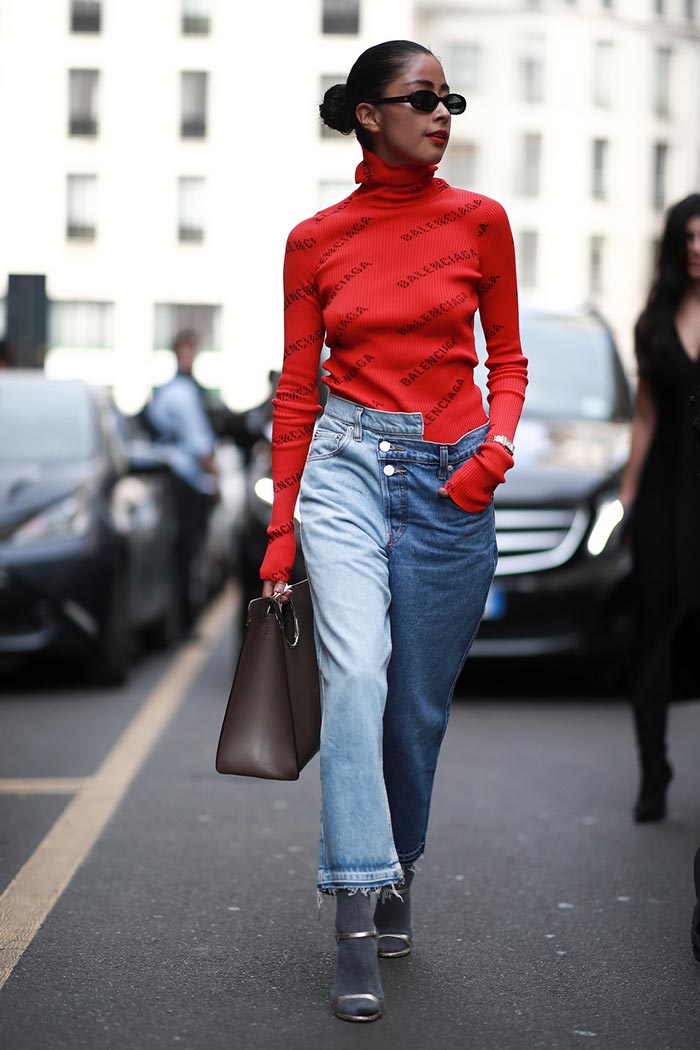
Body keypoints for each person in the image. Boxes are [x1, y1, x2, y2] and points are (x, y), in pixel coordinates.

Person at [259, 40, 528, 1022]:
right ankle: (355, 918)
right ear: (369, 114)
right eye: (422, 99)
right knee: (357, 677)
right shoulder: (313, 239)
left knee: (414, 713)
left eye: (450, 97)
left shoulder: (481, 222)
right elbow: (297, 388)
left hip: (448, 474)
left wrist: (491, 456)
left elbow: (508, 358)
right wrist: (281, 532)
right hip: (343, 470)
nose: (442, 113)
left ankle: (397, 863)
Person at [620, 194, 700, 823]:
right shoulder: (653, 322)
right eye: (688, 237)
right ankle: (653, 769)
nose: (698, 246)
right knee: (653, 633)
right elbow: (645, 417)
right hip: (663, 497)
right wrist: (628, 494)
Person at [147, 329, 218, 628]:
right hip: (185, 482)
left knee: (182, 553)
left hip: (179, 480)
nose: (189, 357)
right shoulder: (181, 393)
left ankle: (181, 618)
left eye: (193, 351)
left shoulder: (172, 391)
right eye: (184, 351)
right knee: (186, 553)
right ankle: (184, 621)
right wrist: (215, 478)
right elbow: (199, 443)